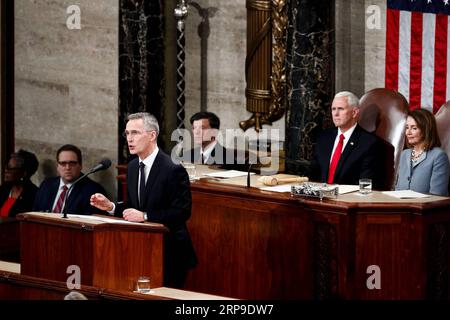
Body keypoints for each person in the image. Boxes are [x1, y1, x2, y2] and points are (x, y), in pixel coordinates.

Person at [90, 112, 197, 288]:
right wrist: (110, 206)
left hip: (169, 252)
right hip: (140, 249)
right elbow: (134, 208)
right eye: (127, 133)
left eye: (135, 133)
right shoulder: (132, 167)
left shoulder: (172, 168)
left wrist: (146, 216)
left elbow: (182, 212)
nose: (129, 139)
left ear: (152, 135)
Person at [310, 91, 385, 189]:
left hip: (347, 200)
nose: (335, 114)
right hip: (320, 198)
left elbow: (366, 185)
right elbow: (313, 175)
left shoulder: (369, 143)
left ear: (354, 112)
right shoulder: (324, 138)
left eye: (340, 109)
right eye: (333, 109)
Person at [33, 144, 106, 214]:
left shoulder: (94, 191)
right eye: (63, 163)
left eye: (72, 163)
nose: (67, 168)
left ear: (80, 165)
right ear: (57, 166)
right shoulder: (46, 185)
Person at [396, 109, 450, 196]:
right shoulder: (405, 154)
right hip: (402, 208)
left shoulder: (438, 156)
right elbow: (398, 190)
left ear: (426, 130)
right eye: (406, 127)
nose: (408, 132)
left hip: (425, 208)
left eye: (414, 128)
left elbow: (437, 196)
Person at [0, 149, 39, 217]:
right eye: (6, 166)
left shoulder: (34, 194)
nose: (6, 170)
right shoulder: (4, 188)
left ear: (23, 173)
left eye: (10, 168)